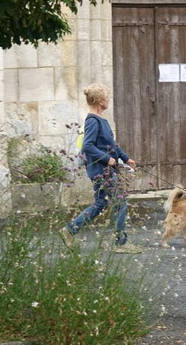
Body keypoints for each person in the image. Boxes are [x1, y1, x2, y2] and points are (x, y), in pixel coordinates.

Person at [59, 83, 141, 254]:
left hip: (103, 170)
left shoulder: (101, 120)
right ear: (99, 100)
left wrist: (125, 158)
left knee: (101, 203)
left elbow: (111, 145)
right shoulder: (93, 121)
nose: (108, 100)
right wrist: (107, 159)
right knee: (119, 201)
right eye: (106, 97)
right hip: (100, 170)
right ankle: (120, 243)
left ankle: (70, 230)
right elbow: (87, 146)